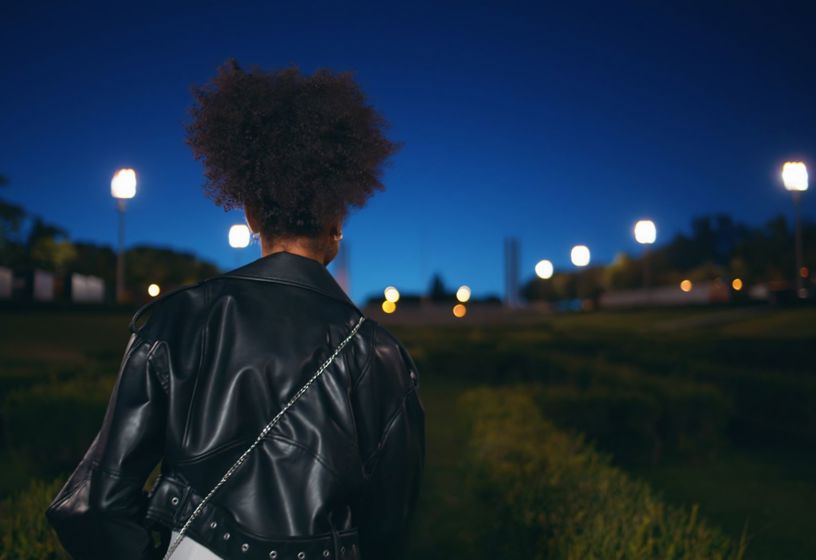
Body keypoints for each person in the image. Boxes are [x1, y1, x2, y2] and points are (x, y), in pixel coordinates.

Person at [45, 59, 425, 560]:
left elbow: (94, 507)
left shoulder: (176, 320)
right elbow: (389, 528)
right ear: (337, 223)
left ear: (249, 215)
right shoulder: (382, 355)